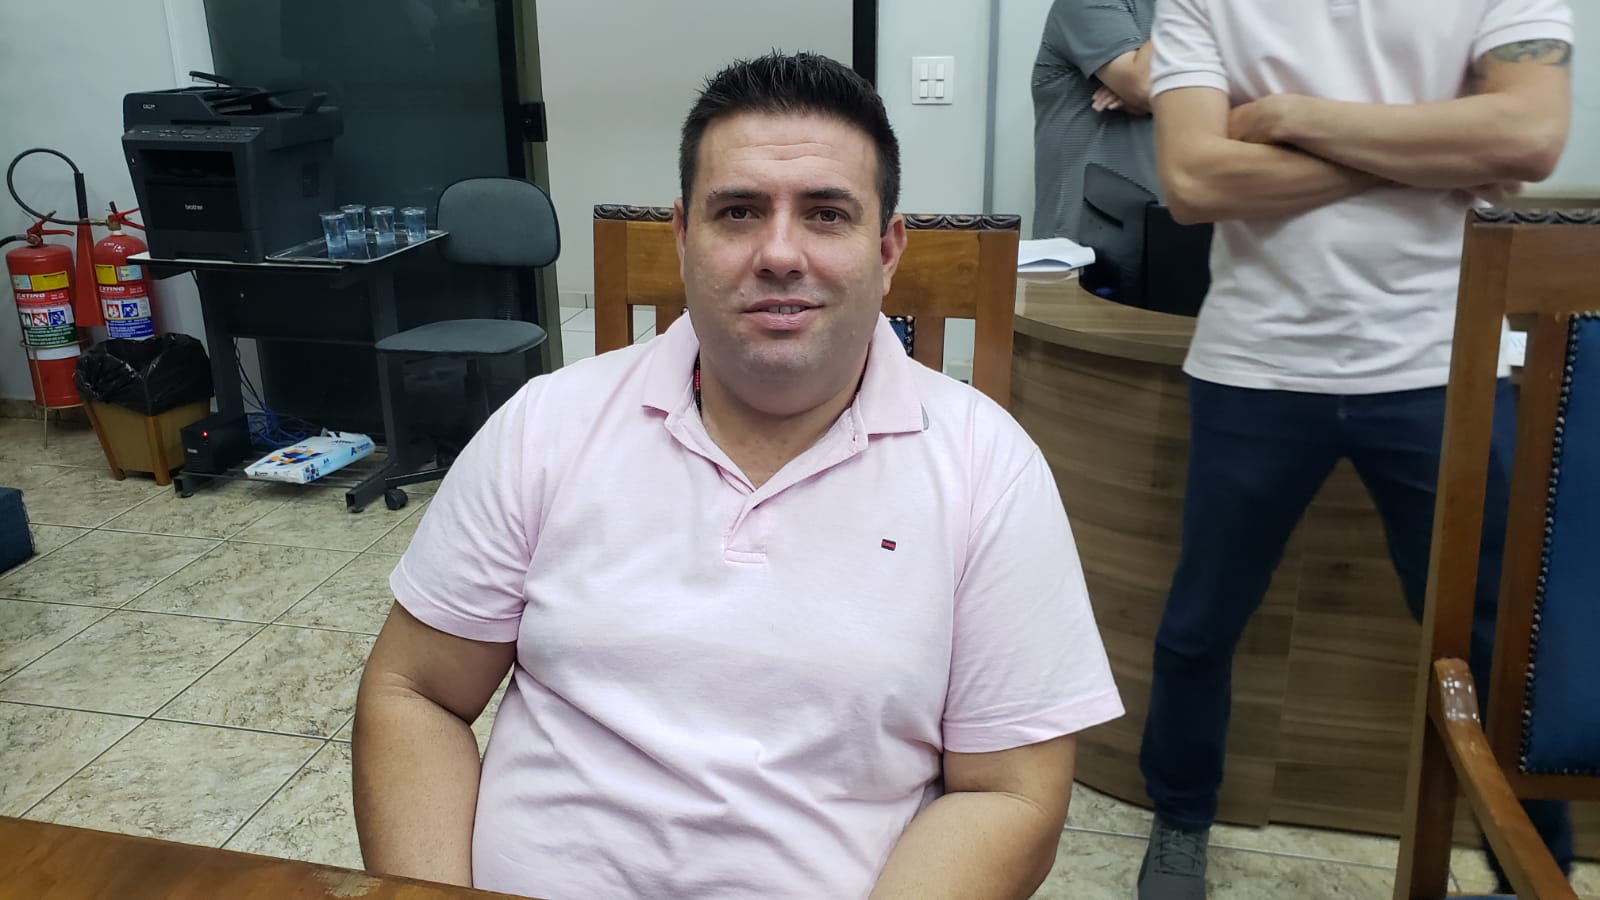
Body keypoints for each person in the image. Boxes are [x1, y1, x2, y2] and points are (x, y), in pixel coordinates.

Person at [352, 51, 1123, 900]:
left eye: (826, 214)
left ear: (887, 249)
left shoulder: (987, 467)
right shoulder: (548, 425)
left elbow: (1009, 791)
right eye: (739, 212)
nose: (780, 253)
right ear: (684, 236)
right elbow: (415, 691)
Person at [1134, 2, 1574, 898]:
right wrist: (1440, 155)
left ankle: (1536, 865)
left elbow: (1529, 137)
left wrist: (1291, 117)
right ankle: (1180, 820)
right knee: (1200, 626)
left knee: (1491, 637)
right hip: (1254, 364)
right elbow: (1193, 180)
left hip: (1444, 360)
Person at [1031, 0, 1160, 240]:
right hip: (1084, 244)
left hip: (1175, 231)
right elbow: (1143, 84)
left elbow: (1230, 98)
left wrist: (1159, 93)